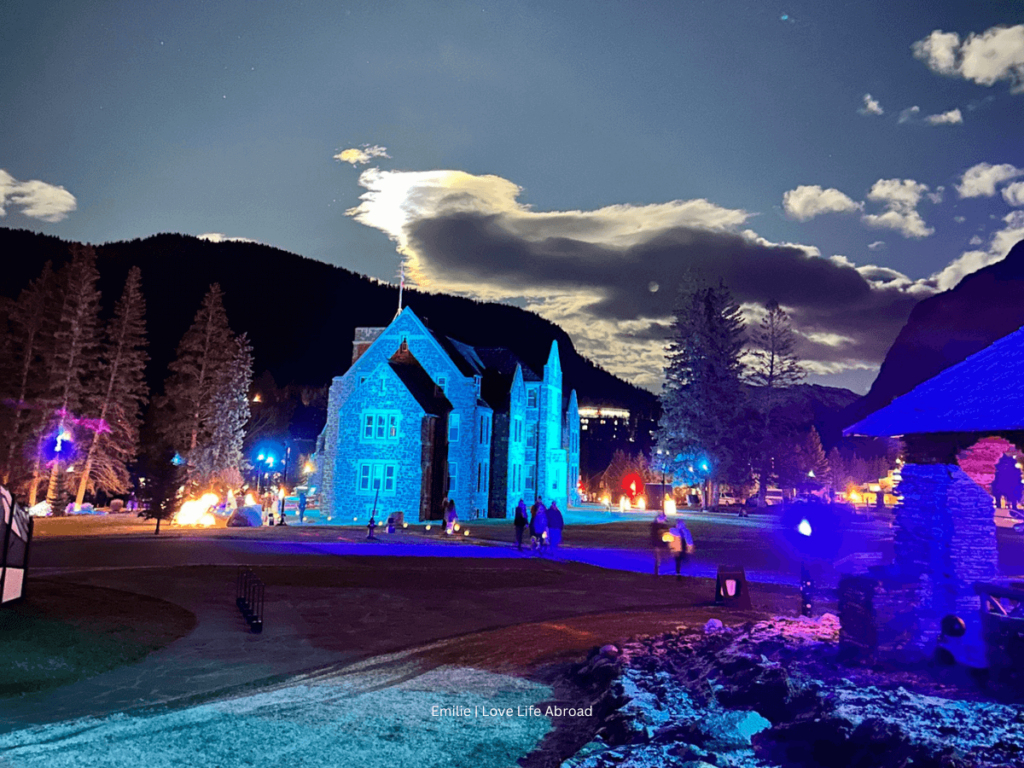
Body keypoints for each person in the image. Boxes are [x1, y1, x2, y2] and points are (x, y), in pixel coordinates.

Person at [650, 512, 670, 576]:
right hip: (657, 544)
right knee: (658, 558)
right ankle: (657, 572)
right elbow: (654, 536)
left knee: (661, 558)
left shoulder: (663, 526)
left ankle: (659, 571)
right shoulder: (655, 527)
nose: (664, 521)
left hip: (662, 544)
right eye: (663, 519)